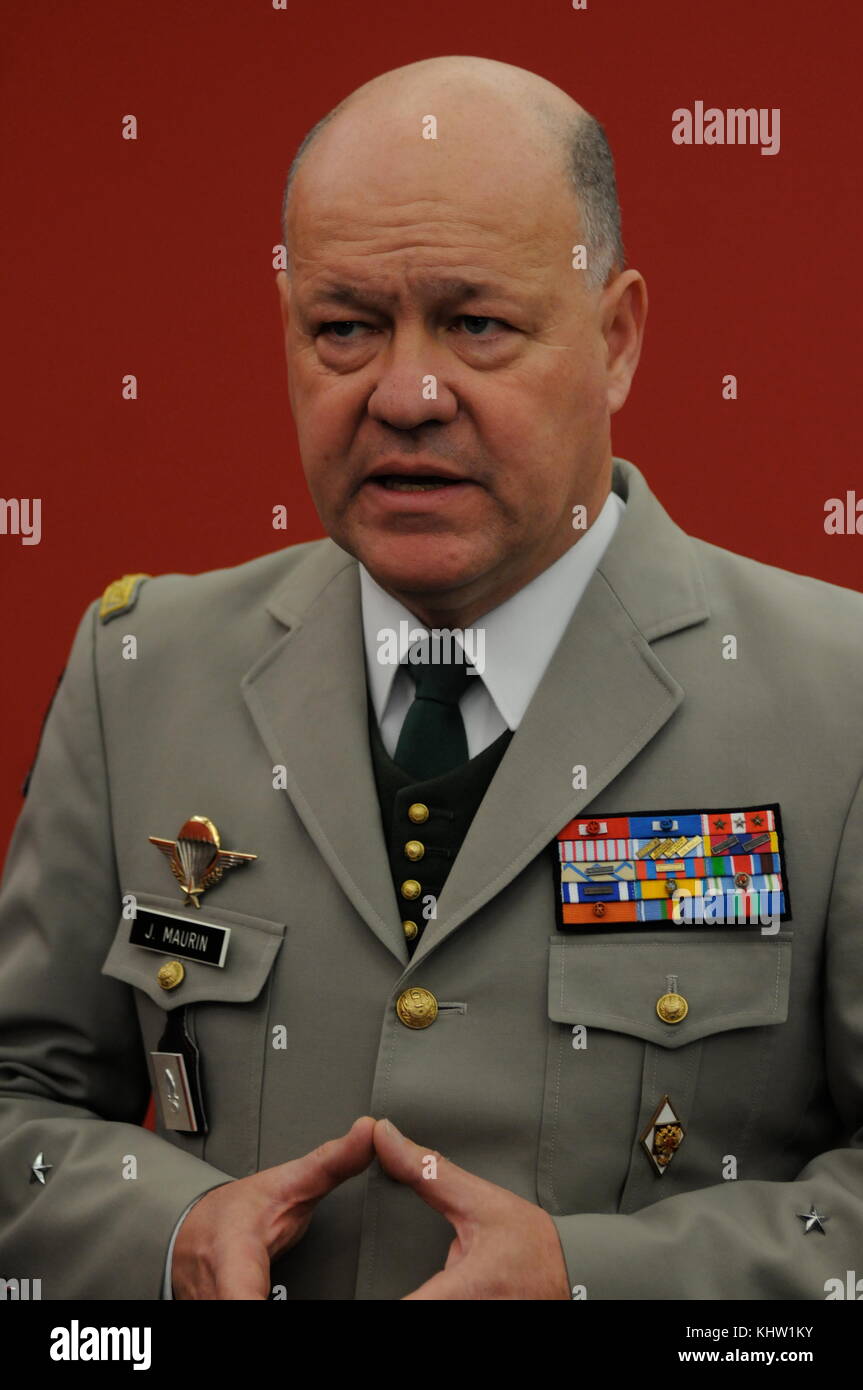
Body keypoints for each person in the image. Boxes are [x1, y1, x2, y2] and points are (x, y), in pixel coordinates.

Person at [1, 54, 861, 1302]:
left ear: (614, 341)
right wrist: (167, 1239)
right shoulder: (140, 672)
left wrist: (595, 1284)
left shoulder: (833, 703)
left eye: (476, 326)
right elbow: (19, 1104)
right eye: (343, 328)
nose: (404, 395)